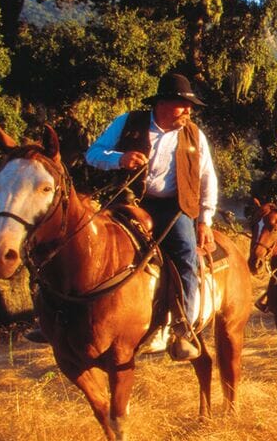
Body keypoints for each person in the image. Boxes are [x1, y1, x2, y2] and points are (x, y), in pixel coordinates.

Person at [84, 71, 219, 360]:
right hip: (129, 202)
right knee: (84, 242)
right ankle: (59, 315)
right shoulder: (128, 122)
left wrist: (205, 220)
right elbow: (92, 154)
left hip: (174, 206)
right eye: (183, 104)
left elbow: (208, 179)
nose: (188, 111)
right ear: (162, 104)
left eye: (190, 106)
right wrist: (118, 159)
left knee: (186, 256)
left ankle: (184, 329)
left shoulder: (194, 135)